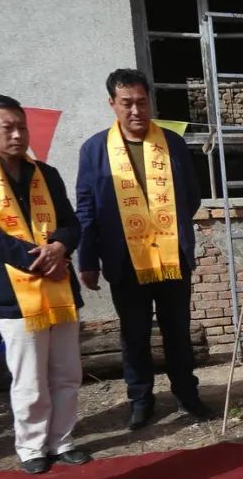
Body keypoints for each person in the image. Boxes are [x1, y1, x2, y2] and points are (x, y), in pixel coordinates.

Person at [75, 69, 212, 430]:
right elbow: (86, 209)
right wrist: (87, 260)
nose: (135, 110)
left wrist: (169, 228)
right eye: (126, 103)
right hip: (125, 262)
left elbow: (192, 196)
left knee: (178, 333)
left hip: (171, 259)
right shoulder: (94, 150)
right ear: (112, 105)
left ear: (149, 101)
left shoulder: (172, 143)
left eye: (141, 101)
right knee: (134, 335)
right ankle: (140, 400)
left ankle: (188, 395)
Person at [0, 96, 89, 473]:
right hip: (14, 292)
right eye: (8, 128)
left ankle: (62, 440)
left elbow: (71, 222)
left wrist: (60, 246)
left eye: (22, 127)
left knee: (67, 372)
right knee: (29, 376)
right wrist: (34, 256)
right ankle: (32, 447)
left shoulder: (44, 173)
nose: (18, 135)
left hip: (59, 285)